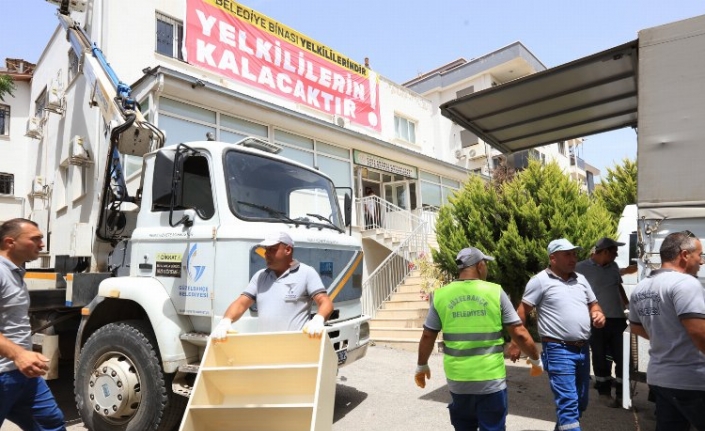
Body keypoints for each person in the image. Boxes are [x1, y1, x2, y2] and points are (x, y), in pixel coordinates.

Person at [416, 247, 542, 431]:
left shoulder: (441, 295)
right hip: (490, 380)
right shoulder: (495, 292)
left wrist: (421, 365)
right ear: (480, 266)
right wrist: (535, 358)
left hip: (458, 380)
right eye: (486, 265)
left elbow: (428, 335)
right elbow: (519, 332)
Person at [508, 238, 605, 431]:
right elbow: (521, 312)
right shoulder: (540, 281)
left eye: (575, 254)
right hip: (558, 350)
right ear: (553, 258)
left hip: (583, 349)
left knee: (580, 403)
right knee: (568, 405)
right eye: (567, 254)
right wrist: (515, 342)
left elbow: (594, 304)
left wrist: (598, 313)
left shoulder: (581, 279)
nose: (573, 258)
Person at [628, 230, 705, 431]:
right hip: (691, 380)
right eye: (699, 255)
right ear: (685, 255)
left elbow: (635, 326)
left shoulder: (641, 288)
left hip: (660, 379)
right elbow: (699, 333)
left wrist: (666, 336)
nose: (701, 262)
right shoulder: (685, 283)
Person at [0, 218, 66, 430]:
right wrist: (19, 355)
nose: (42, 244)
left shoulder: (16, 273)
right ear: (10, 242)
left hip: (25, 375)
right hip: (3, 374)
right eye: (35, 238)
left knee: (50, 422)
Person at [210, 231, 333, 339]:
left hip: (296, 347)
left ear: (288, 250)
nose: (266, 254)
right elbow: (241, 303)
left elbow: (325, 302)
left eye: (272, 250)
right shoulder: (260, 276)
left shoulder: (306, 273)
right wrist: (225, 321)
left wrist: (318, 319)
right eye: (266, 250)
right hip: (266, 347)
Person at [576, 237, 630, 404]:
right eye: (614, 251)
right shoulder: (580, 268)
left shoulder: (613, 266)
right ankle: (604, 393)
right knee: (599, 356)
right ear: (605, 251)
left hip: (618, 319)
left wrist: (627, 304)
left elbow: (618, 286)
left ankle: (623, 394)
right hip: (596, 320)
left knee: (623, 357)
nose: (616, 254)